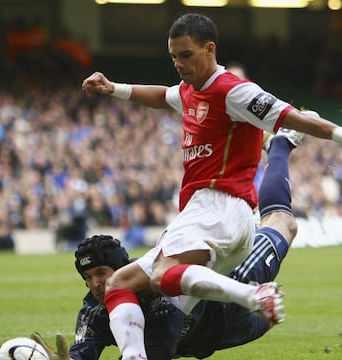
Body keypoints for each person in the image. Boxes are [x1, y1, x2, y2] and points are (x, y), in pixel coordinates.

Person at [81, 13, 342, 360]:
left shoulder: (234, 90)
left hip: (220, 205)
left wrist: (339, 134)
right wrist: (115, 89)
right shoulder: (191, 91)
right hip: (213, 214)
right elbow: (163, 96)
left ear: (209, 49)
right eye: (173, 56)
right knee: (119, 284)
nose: (178, 63)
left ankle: (254, 297)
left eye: (185, 54)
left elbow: (294, 118)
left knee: (163, 274)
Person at [31, 126, 304, 360]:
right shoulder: (94, 310)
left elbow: (157, 350)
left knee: (283, 223)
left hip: (231, 307)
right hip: (208, 339)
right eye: (88, 277)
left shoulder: (156, 290)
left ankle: (280, 145)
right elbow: (83, 351)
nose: (96, 283)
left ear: (123, 268)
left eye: (102, 273)